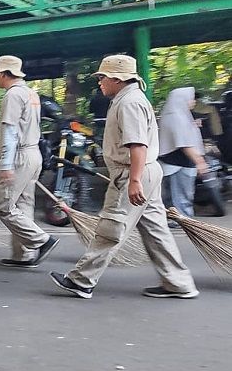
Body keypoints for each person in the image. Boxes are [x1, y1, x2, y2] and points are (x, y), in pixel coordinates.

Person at [50, 55, 198, 299]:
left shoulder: (129, 102)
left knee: (111, 226)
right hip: (144, 170)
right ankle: (179, 283)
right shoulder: (129, 99)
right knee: (156, 230)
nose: (99, 82)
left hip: (134, 171)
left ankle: (82, 281)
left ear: (117, 78)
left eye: (102, 77)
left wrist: (134, 180)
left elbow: (137, 145)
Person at [0, 55, 60, 268]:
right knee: (23, 203)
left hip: (18, 155)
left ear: (4, 74)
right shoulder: (31, 93)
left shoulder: (13, 95)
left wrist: (7, 165)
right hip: (33, 153)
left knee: (2, 205)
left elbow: (10, 131)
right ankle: (23, 255)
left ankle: (41, 241)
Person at [158, 87, 207, 220]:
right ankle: (181, 221)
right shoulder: (176, 117)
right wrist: (200, 162)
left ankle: (179, 220)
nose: (193, 101)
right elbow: (184, 143)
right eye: (191, 98)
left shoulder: (175, 114)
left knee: (177, 196)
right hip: (179, 163)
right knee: (180, 197)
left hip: (174, 162)